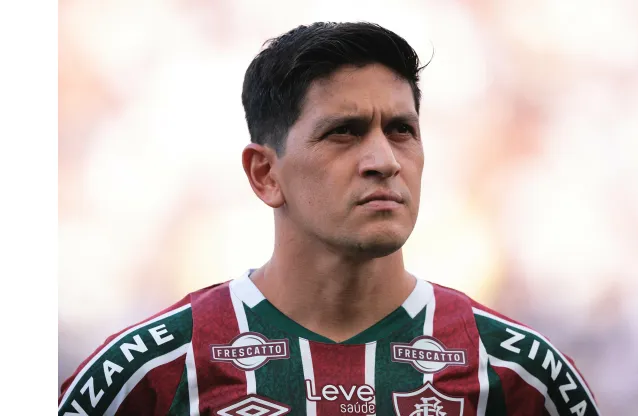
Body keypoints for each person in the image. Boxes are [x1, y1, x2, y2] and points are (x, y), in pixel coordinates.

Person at [58, 22, 600, 416]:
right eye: (343, 132)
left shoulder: (519, 374)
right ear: (265, 174)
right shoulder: (151, 370)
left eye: (401, 130)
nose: (384, 161)